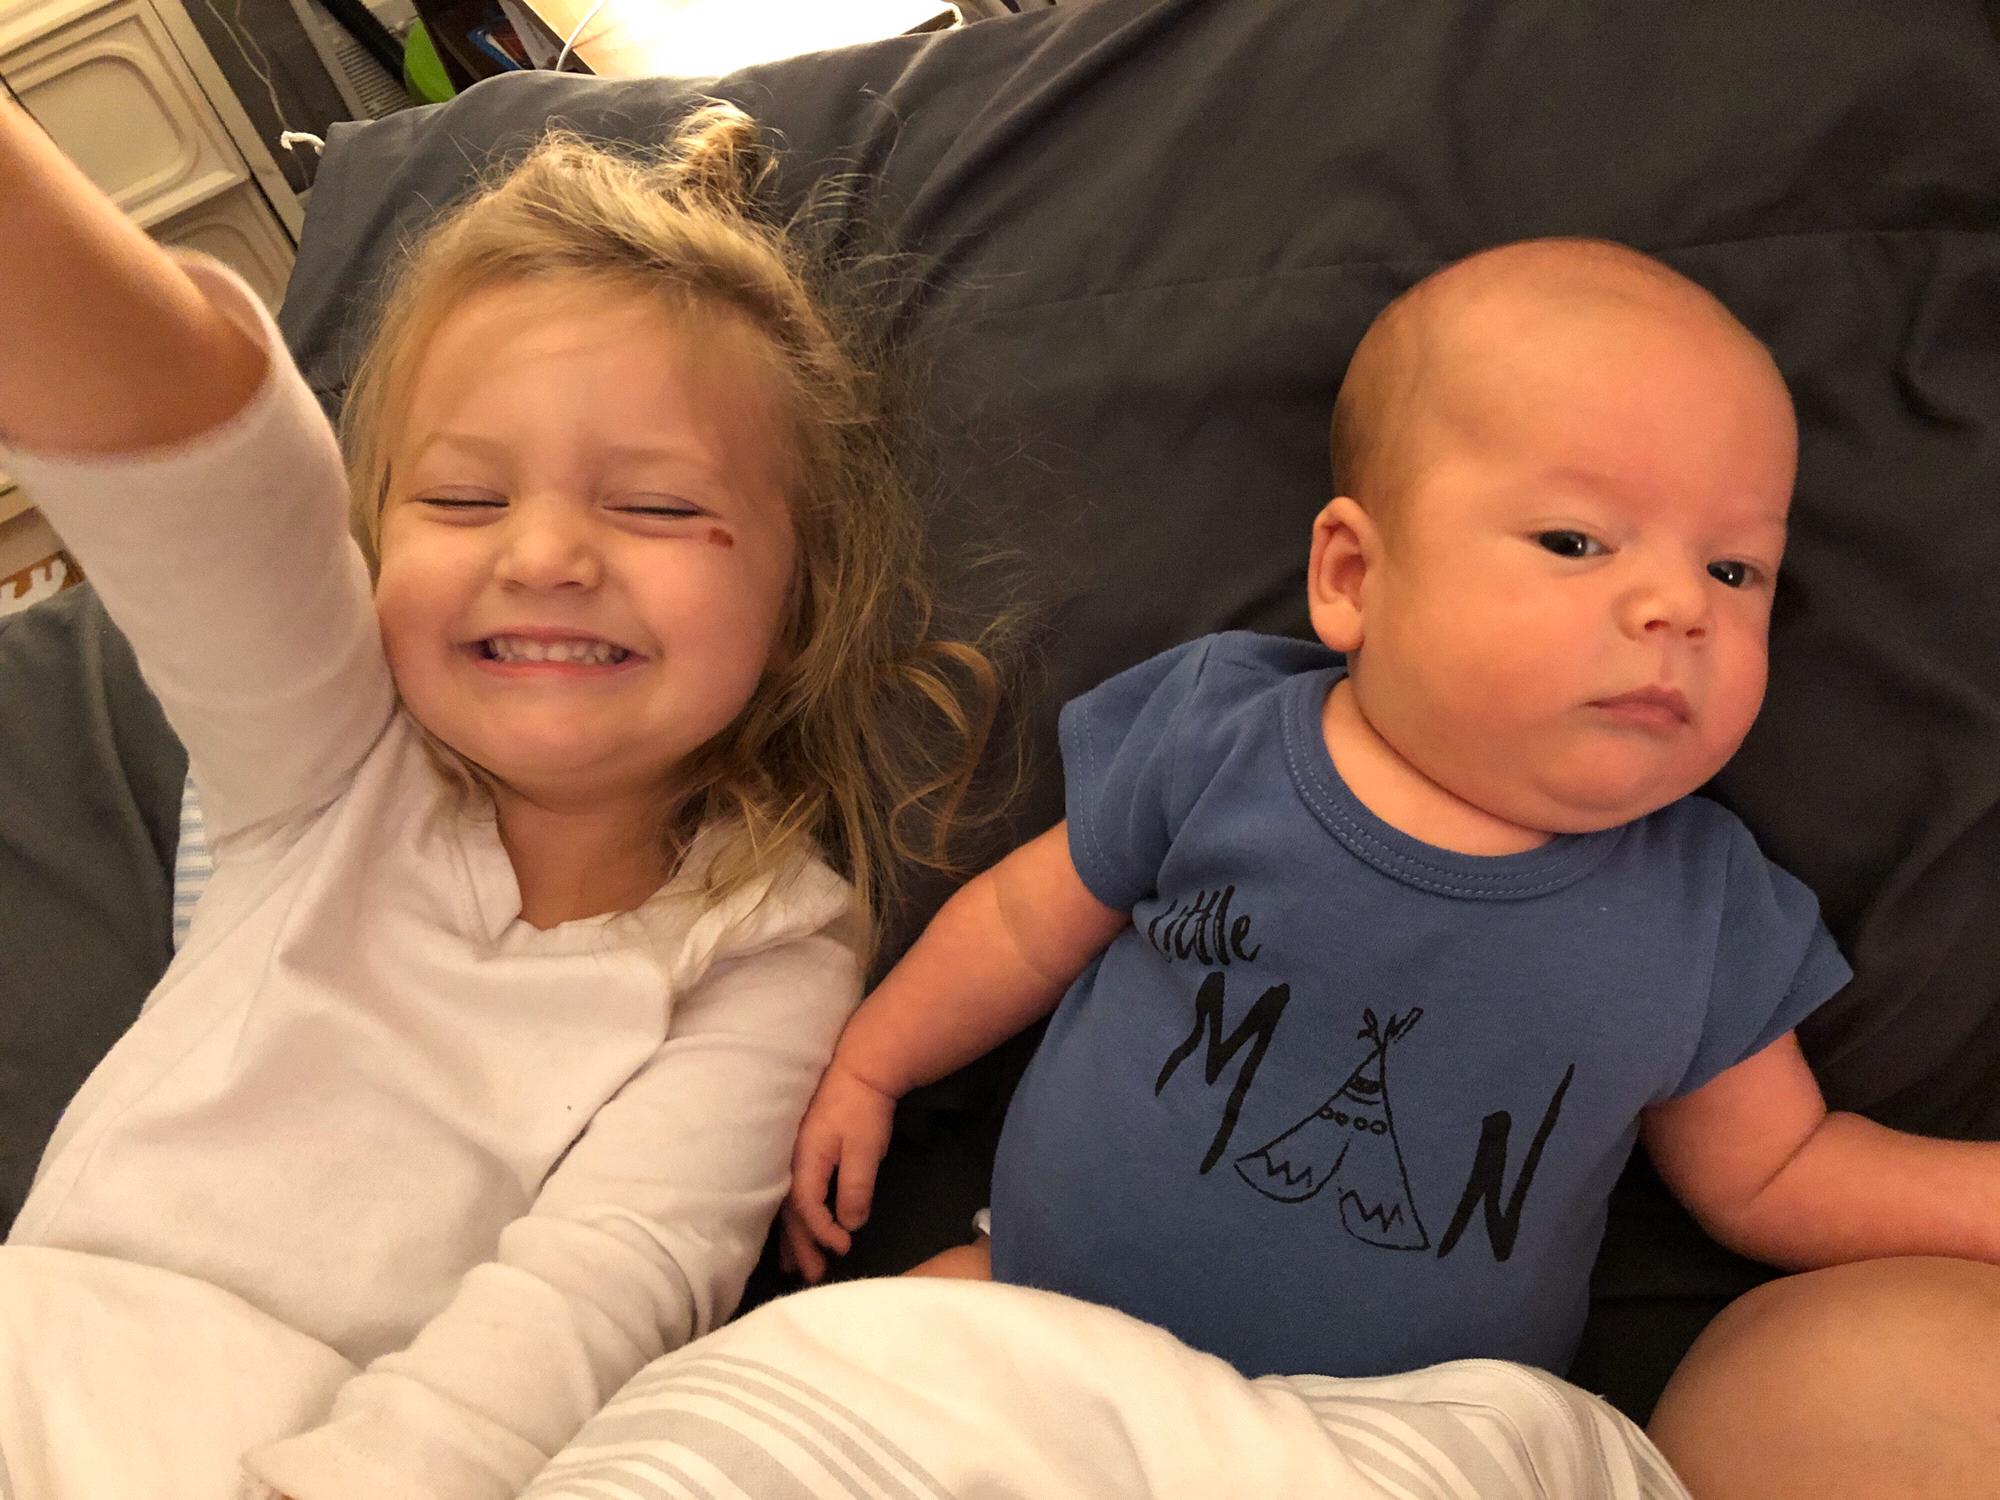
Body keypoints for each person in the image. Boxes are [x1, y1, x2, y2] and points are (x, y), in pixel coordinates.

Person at [783, 238, 2000, 1390]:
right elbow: (1017, 926)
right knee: (830, 1373)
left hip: (1398, 1439)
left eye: (1732, 569)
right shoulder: (1221, 738)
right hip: (1032, 1313)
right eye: (1575, 540)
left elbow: (1777, 1168)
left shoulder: (1703, 908)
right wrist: (874, 1065)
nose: (1679, 606)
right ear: (1352, 577)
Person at [0, 99, 999, 1500]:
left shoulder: (770, 948)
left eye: (657, 507)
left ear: (803, 600)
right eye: (464, 499)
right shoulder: (327, 760)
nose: (542, 556)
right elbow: (203, 479)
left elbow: (588, 1302)